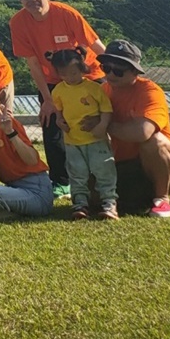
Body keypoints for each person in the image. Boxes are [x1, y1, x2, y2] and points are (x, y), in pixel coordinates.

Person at [8, 0, 106, 199]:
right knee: (51, 123)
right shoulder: (18, 22)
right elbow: (33, 63)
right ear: (21, 0)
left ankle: (109, 171)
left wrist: (116, 71)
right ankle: (61, 182)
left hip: (88, 74)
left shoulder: (66, 13)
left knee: (101, 120)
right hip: (52, 79)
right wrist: (48, 100)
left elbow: (94, 44)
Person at [98, 40, 170, 218]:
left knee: (154, 141)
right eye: (106, 68)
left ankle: (162, 199)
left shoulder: (150, 91)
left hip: (162, 167)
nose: (111, 74)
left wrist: (103, 124)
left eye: (118, 70)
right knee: (92, 198)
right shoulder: (102, 91)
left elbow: (143, 132)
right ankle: (130, 199)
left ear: (135, 71)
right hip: (122, 164)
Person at [0, 84, 54, 220]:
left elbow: (32, 160)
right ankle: (8, 211)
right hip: (12, 188)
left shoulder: (6, 124)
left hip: (36, 190)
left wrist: (10, 133)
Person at [49, 48, 118, 220]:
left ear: (82, 68)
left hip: (96, 139)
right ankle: (80, 204)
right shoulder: (58, 90)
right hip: (72, 141)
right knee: (76, 172)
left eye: (74, 72)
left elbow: (106, 110)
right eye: (64, 74)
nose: (70, 77)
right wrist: (59, 121)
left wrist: (102, 126)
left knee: (103, 169)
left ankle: (109, 203)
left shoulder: (94, 88)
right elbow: (59, 111)